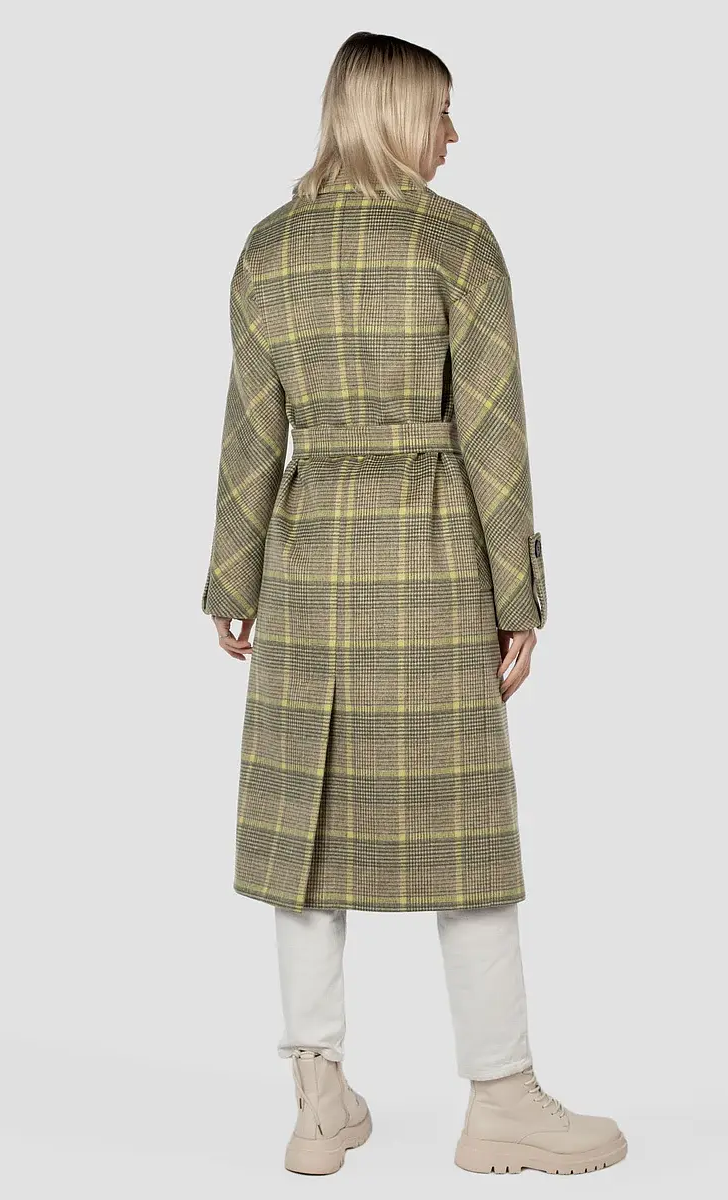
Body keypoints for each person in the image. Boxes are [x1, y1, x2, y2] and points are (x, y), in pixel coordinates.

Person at [201, 30, 626, 1178]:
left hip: (308, 563)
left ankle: (315, 1101)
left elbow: (251, 431)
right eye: (441, 112)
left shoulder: (268, 248)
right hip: (435, 562)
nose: (453, 134)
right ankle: (502, 1099)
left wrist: (232, 577)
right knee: (466, 834)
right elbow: (493, 433)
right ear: (398, 115)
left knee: (301, 833)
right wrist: (516, 594)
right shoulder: (457, 241)